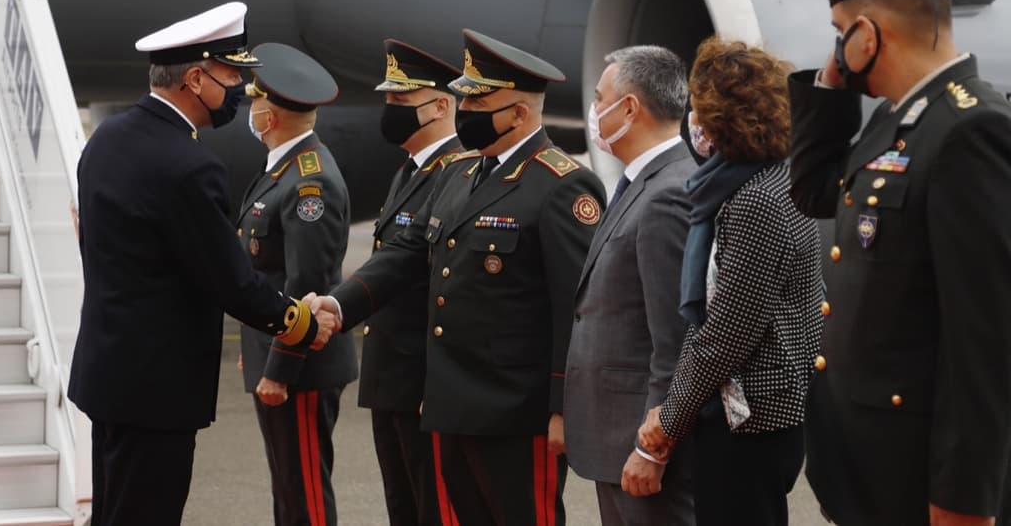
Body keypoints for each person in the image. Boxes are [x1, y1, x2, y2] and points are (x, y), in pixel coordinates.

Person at [310, 29, 606, 526]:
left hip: (517, 412)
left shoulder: (561, 185)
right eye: (464, 97)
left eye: (479, 99)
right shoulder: (461, 173)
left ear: (519, 113)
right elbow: (405, 255)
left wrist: (564, 409)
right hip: (450, 404)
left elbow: (576, 310)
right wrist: (339, 306)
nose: (465, 109)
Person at [68, 2, 333, 526]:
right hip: (158, 387)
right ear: (195, 77)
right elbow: (230, 281)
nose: (239, 88)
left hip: (109, 372)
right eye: (232, 74)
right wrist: (299, 322)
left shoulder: (108, 138)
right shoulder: (189, 165)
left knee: (115, 511)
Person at [789, 0, 1011, 526]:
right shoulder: (896, 118)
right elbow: (813, 193)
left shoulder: (969, 128)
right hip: (867, 466)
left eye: (840, 31)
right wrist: (832, 86)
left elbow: (984, 340)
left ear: (867, 31)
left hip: (917, 481)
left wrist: (962, 502)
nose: (836, 45)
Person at [638, 37, 823, 526]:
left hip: (749, 421)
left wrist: (669, 419)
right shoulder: (759, 182)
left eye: (699, 109)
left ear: (724, 118)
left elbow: (726, 335)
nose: (692, 122)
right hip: (756, 414)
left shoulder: (755, 200)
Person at [564, 45, 697, 525]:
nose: (595, 111)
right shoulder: (643, 183)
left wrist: (654, 445)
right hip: (615, 435)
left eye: (601, 100)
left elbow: (676, 338)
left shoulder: (668, 193)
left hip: (640, 438)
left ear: (630, 108)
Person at [236, 42, 359, 526]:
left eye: (255, 100)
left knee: (304, 488)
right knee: (288, 487)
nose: (251, 109)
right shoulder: (282, 169)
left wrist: (280, 368)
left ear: (271, 112)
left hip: (302, 365)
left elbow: (306, 282)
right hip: (280, 350)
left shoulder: (310, 182)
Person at [361, 38, 463, 526]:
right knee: (402, 506)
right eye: (389, 102)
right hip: (391, 377)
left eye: (401, 102)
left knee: (432, 508)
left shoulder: (456, 172)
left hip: (422, 380)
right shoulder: (410, 170)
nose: (390, 111)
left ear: (441, 105)